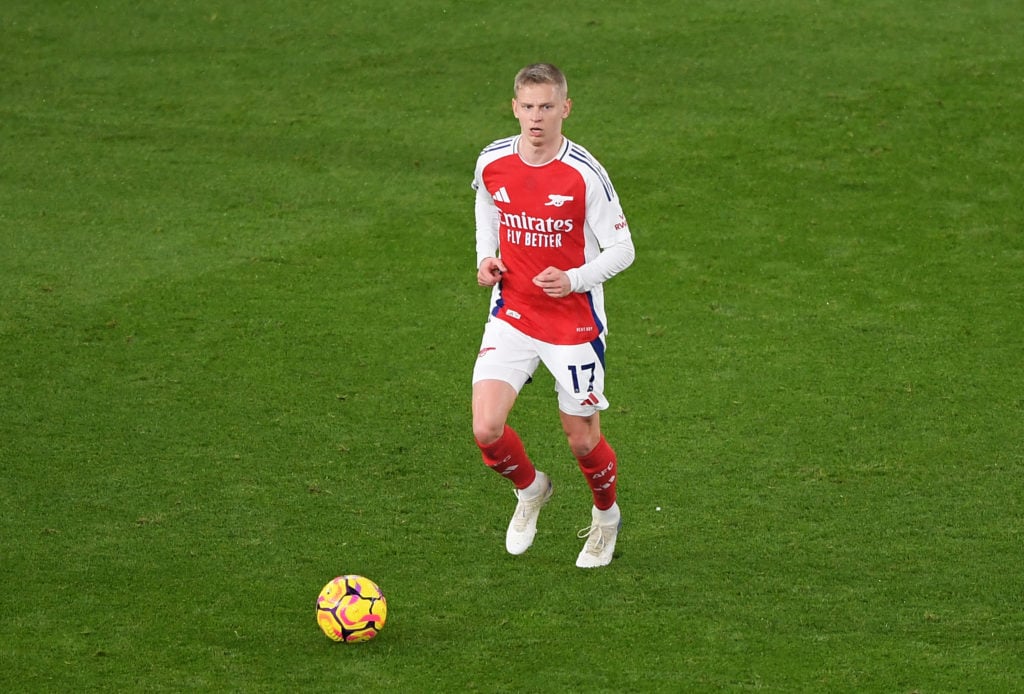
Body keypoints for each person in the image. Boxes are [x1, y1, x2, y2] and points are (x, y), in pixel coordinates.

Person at [470, 63, 636, 568]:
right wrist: (486, 256)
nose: (535, 117)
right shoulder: (492, 161)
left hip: (572, 325)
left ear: (565, 108)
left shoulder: (584, 173)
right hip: (513, 313)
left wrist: (574, 278)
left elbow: (623, 248)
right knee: (486, 429)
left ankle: (606, 518)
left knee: (582, 439)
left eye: (546, 107)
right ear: (514, 107)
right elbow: (488, 205)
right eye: (527, 106)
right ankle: (531, 489)